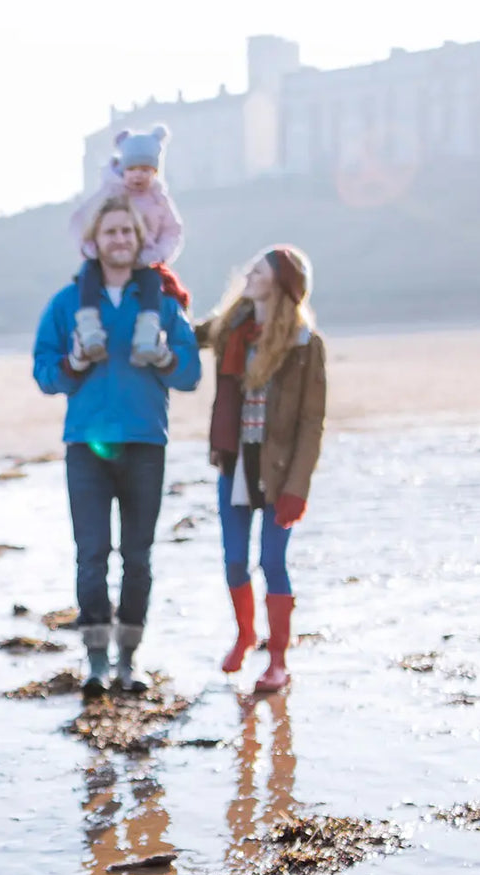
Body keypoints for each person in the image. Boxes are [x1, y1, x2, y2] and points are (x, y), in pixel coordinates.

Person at [33, 194, 201, 697]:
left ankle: (130, 661)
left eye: (127, 231)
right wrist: (75, 363)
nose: (120, 240)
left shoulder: (163, 303)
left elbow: (191, 373)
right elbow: (44, 372)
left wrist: (167, 356)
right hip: (86, 445)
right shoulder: (66, 304)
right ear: (94, 241)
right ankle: (96, 663)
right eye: (111, 232)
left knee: (139, 556)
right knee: (91, 555)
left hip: (146, 442)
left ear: (140, 238)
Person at [195, 246, 324, 693]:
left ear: (283, 281)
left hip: (281, 470)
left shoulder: (305, 344)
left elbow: (312, 422)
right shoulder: (232, 330)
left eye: (260, 268)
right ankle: (245, 633)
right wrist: (161, 288)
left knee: (272, 561)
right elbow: (188, 335)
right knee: (234, 561)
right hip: (235, 462)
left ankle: (279, 661)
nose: (249, 272)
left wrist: (298, 488)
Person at [69, 124, 188, 366]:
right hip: (106, 261)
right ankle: (90, 328)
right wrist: (91, 248)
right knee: (88, 277)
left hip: (145, 259)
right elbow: (83, 219)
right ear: (123, 169)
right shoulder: (110, 192)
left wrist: (158, 254)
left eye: (145, 169)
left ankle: (147, 335)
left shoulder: (158, 198)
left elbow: (173, 230)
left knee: (153, 284)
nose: (138, 176)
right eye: (132, 169)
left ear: (155, 172)